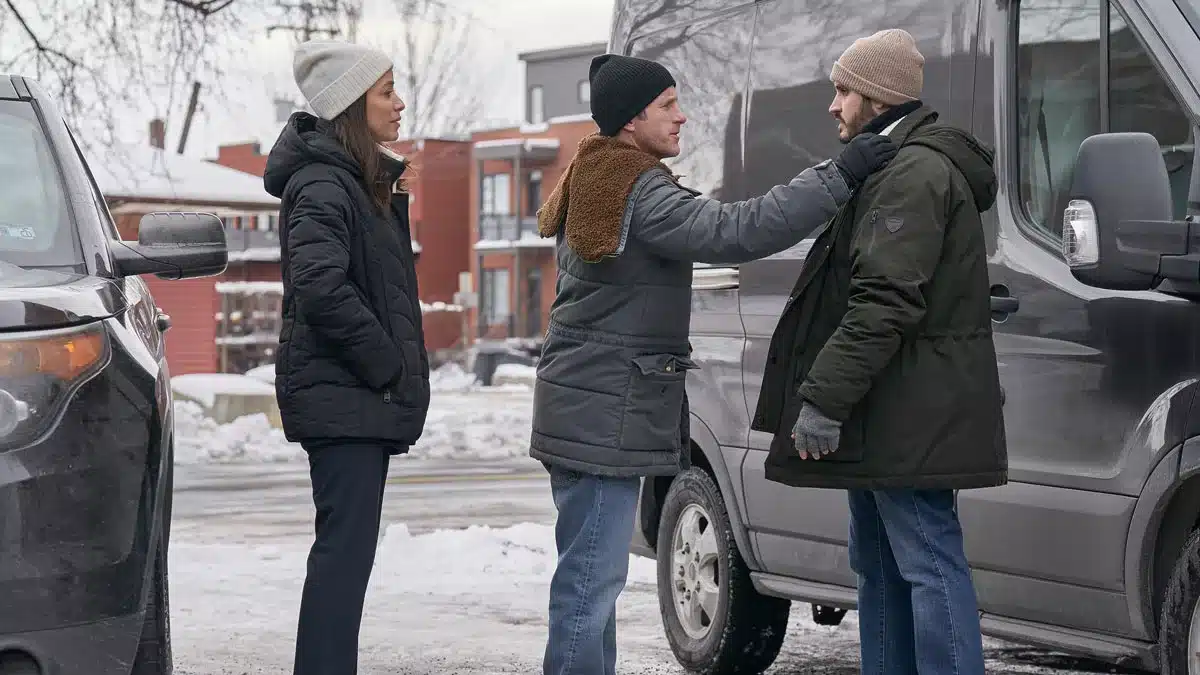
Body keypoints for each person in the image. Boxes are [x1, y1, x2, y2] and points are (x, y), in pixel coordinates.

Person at [531, 52, 898, 675]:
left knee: (588, 583)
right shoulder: (637, 191)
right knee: (589, 585)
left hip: (585, 404)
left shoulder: (599, 177)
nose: (682, 116)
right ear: (630, 120)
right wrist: (839, 174)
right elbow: (737, 230)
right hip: (602, 414)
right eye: (667, 105)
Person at [750, 28, 1006, 675]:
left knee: (925, 561)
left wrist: (823, 398)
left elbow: (884, 300)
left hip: (909, 415)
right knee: (879, 565)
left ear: (880, 97)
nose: (833, 105)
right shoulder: (888, 165)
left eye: (844, 91)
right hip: (887, 408)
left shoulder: (913, 173)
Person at [262, 40, 430, 675]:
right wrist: (386, 363)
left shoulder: (355, 183)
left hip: (354, 398)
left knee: (348, 558)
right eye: (386, 91)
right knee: (342, 557)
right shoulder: (322, 185)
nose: (399, 102)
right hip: (345, 396)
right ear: (352, 105)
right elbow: (321, 288)